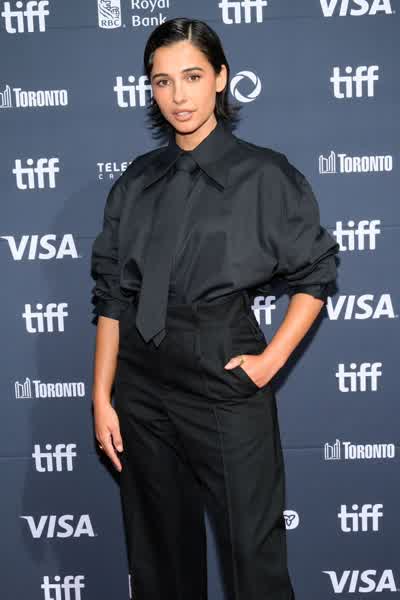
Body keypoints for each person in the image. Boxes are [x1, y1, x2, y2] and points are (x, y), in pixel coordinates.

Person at [90, 17, 340, 600]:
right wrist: (102, 394)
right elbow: (112, 295)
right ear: (150, 89)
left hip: (223, 370)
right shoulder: (136, 181)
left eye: (193, 76)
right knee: (159, 559)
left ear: (221, 78)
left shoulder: (264, 174)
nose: (178, 95)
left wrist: (268, 363)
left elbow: (316, 272)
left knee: (253, 559)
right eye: (163, 81)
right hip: (141, 385)